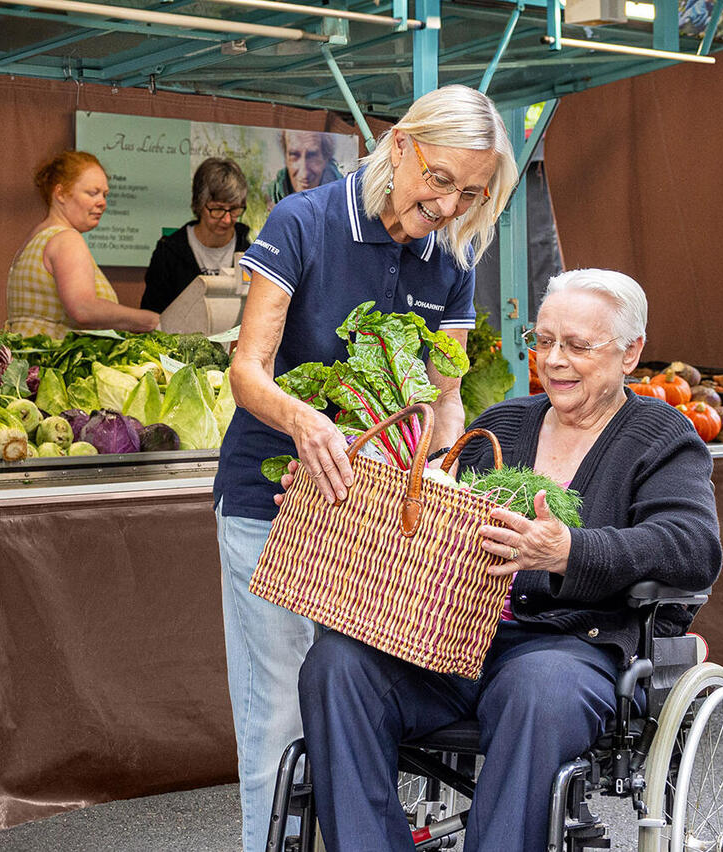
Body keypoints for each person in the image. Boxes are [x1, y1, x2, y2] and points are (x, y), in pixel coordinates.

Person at [293, 269, 723, 852]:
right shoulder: (503, 424)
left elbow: (691, 545)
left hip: (571, 649)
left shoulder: (660, 436)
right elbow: (428, 519)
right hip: (452, 645)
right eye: (544, 341)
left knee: (536, 689)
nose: (555, 360)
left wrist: (570, 551)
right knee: (335, 666)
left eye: (576, 345)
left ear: (631, 353)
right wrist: (333, 496)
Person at [216, 84, 520, 852]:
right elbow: (248, 371)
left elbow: (446, 395)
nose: (451, 204)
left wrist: (444, 459)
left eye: (474, 193)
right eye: (442, 180)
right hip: (275, 502)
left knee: (353, 701)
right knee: (279, 716)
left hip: (379, 517)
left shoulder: (453, 254)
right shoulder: (305, 222)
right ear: (402, 145)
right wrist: (303, 418)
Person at [5, 150, 160, 337]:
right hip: (54, 361)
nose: (102, 202)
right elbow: (83, 308)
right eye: (93, 193)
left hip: (29, 359)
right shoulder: (66, 239)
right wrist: (151, 320)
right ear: (61, 193)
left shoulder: (37, 236)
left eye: (105, 194)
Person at [143, 157, 253, 315]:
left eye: (234, 209)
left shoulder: (248, 249)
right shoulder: (169, 252)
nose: (227, 219)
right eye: (218, 209)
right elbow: (152, 313)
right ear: (199, 204)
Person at [272, 128, 340, 200]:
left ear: (326, 158)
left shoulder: (345, 195)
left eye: (312, 156)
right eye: (294, 155)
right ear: (286, 159)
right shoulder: (268, 197)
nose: (304, 174)